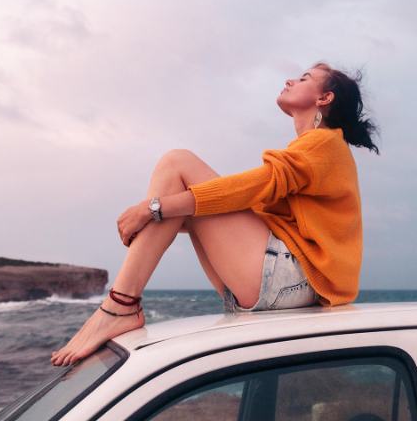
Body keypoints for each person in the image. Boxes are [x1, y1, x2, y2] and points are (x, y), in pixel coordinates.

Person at [50, 61, 379, 366]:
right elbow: (229, 206)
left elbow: (253, 187)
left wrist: (152, 208)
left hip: (294, 280)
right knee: (183, 188)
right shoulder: (316, 148)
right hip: (284, 284)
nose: (290, 79)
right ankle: (120, 306)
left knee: (177, 163)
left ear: (325, 97)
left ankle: (120, 306)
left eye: (304, 78)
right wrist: (159, 212)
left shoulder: (324, 144)